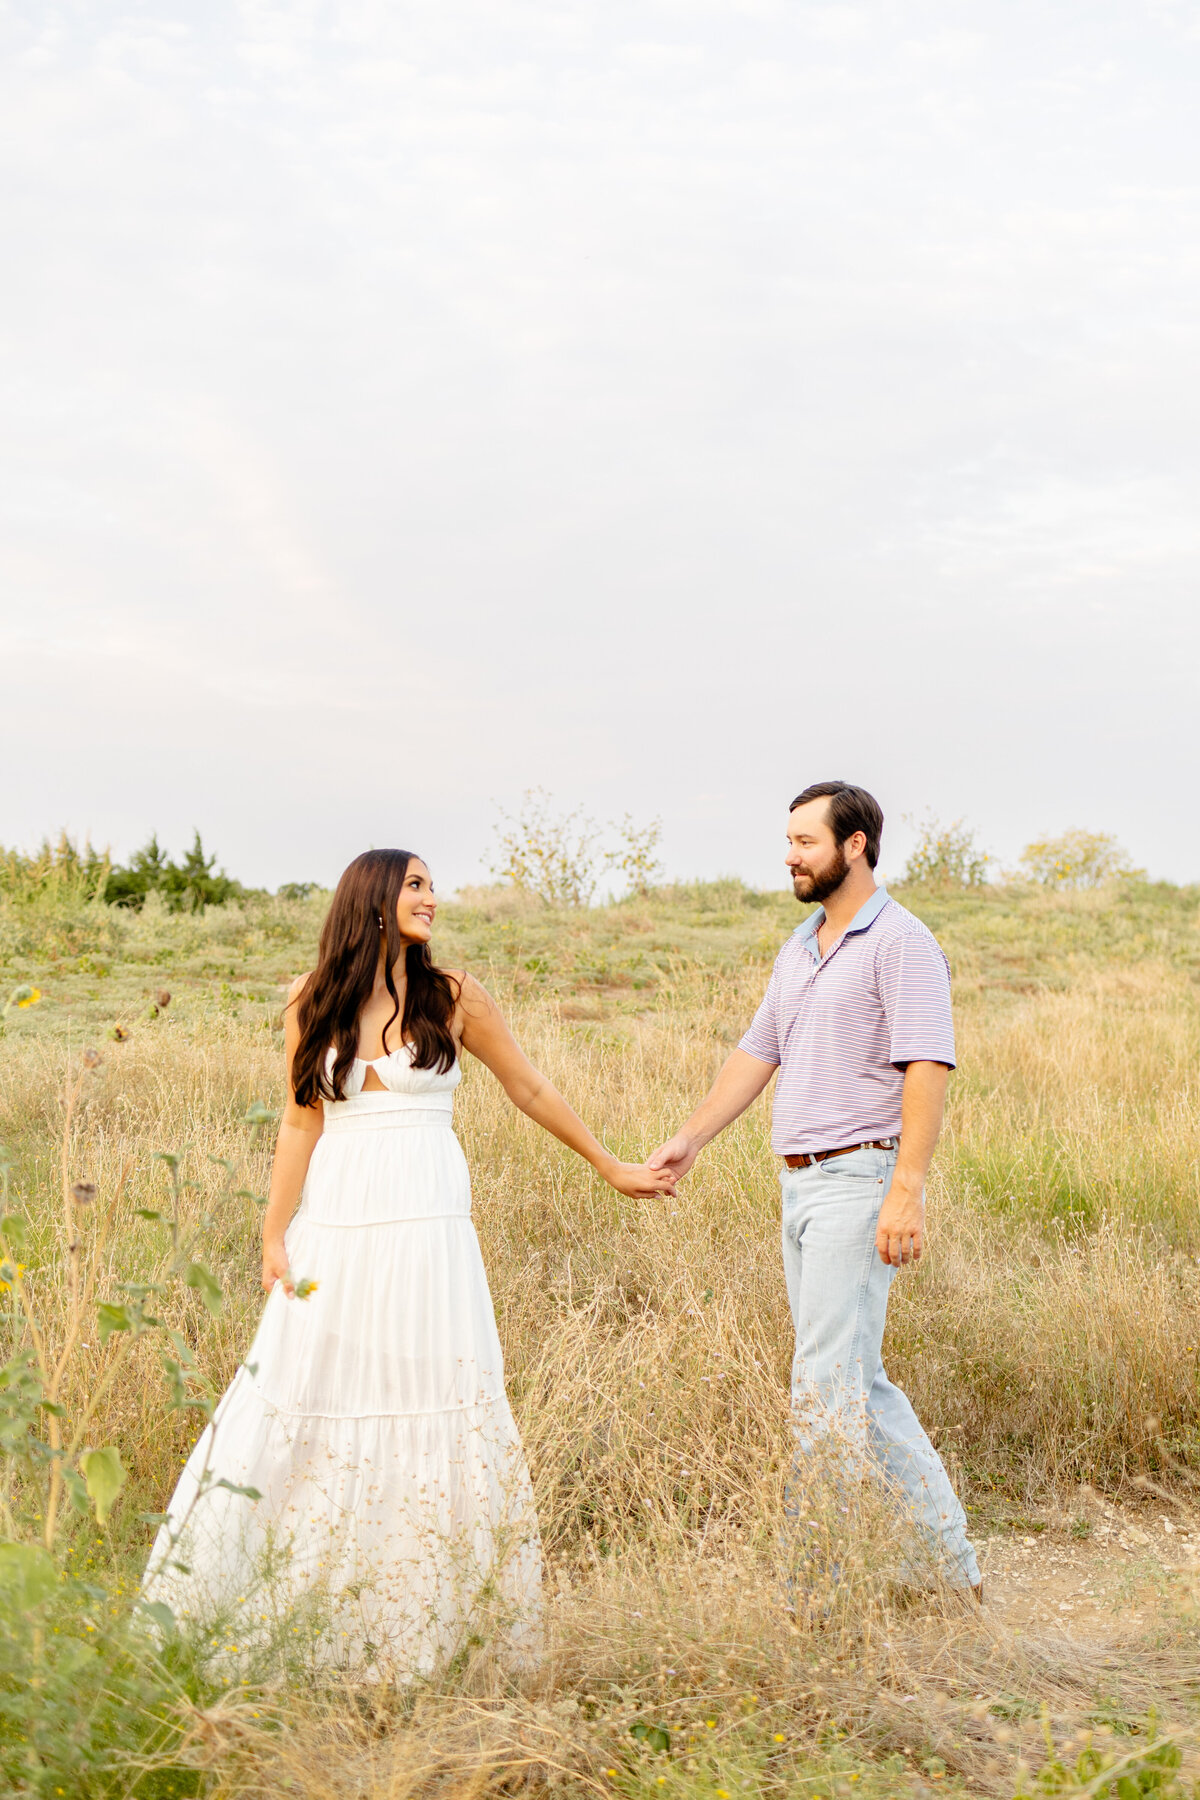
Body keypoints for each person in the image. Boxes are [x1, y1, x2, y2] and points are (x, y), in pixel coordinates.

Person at [143, 848, 676, 1675]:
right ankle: (282, 1617)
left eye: (433, 883)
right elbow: (299, 1124)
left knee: (427, 1399)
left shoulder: (454, 997)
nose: (434, 897)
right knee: (306, 1393)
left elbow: (529, 1089)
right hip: (338, 1228)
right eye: (417, 885)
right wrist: (273, 1233)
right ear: (376, 903)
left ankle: (423, 1629)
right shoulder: (309, 1000)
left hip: (428, 1235)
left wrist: (609, 1165)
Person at [649, 782, 981, 1596]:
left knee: (824, 1385)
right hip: (799, 1186)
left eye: (805, 840)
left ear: (855, 844)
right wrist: (690, 1139)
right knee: (855, 1381)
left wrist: (907, 1190)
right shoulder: (798, 948)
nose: (789, 854)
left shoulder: (900, 942)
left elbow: (927, 1066)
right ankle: (950, 1570)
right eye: (788, 840)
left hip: (859, 1179)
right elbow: (756, 1054)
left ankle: (817, 1589)